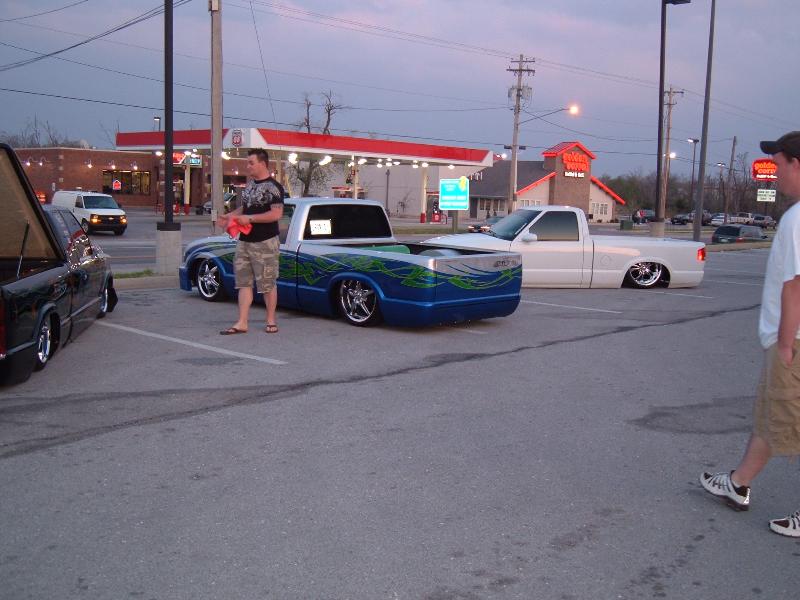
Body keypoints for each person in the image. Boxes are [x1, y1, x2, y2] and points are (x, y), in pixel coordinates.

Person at [700, 131, 800, 537]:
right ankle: (738, 483)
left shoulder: (797, 219)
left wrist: (785, 344)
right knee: (772, 416)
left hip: (793, 340)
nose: (774, 173)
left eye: (778, 165)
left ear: (797, 164)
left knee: (788, 417)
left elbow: (795, 285)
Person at [216, 148, 284, 335]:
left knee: (267, 283)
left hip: (265, 242)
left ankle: (271, 320)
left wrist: (251, 219)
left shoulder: (274, 187)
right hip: (244, 241)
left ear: (262, 163)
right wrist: (229, 216)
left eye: (251, 163)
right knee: (243, 282)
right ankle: (242, 322)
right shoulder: (250, 185)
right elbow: (245, 209)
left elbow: (276, 214)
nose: (248, 166)